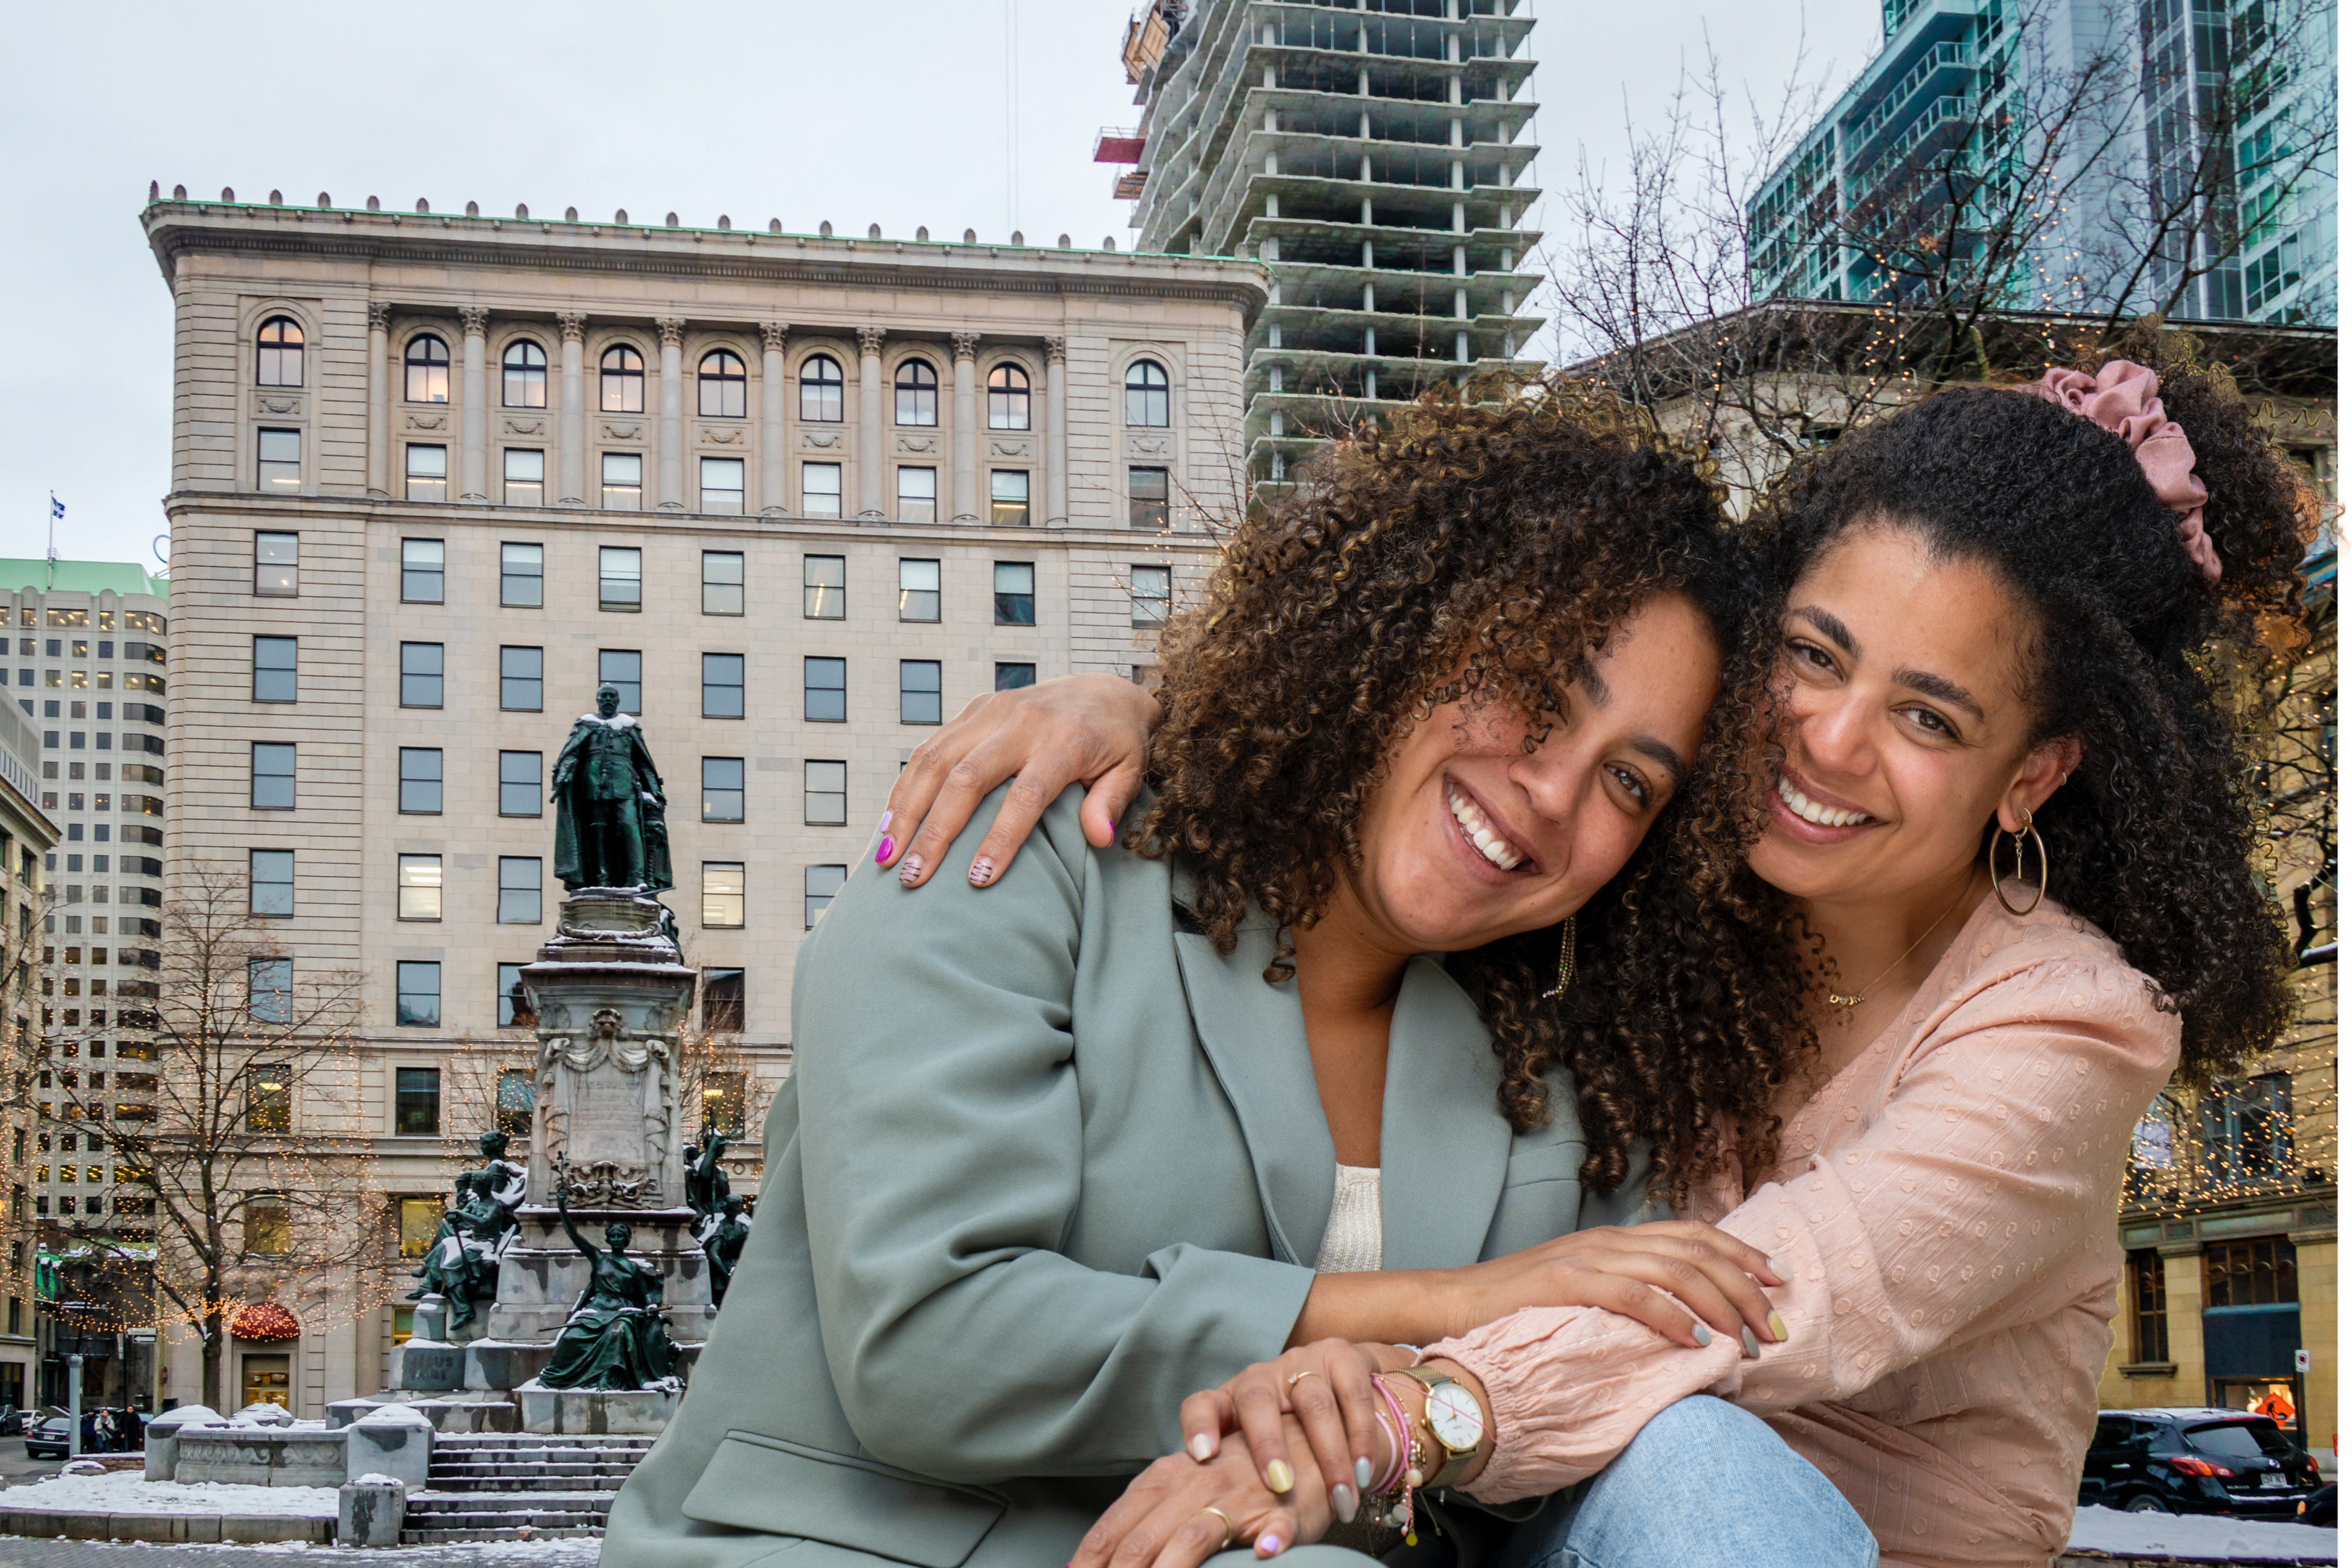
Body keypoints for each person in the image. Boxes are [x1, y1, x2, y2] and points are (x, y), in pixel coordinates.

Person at [891, 340, 2312, 1568]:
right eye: (1812, 655)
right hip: (1508, 1519)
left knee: (1696, 1459)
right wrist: (1155, 731)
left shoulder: (2069, 1024)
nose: (1828, 739)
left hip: (1765, 1531)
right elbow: (1408, 758)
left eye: (1928, 718)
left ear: (2031, 772)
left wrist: (1406, 1414)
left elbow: (1766, 1296)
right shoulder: (1648, 886)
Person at [603, 385, 1856, 1568]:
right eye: (1535, 689)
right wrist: (1434, 1308)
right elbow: (928, 1344)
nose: (1552, 789)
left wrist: (1351, 1441)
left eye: (1631, 780)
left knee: (1699, 1459)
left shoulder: (1580, 1071)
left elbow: (1521, 1471)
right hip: (849, 1545)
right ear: (1406, 628)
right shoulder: (1032, 843)